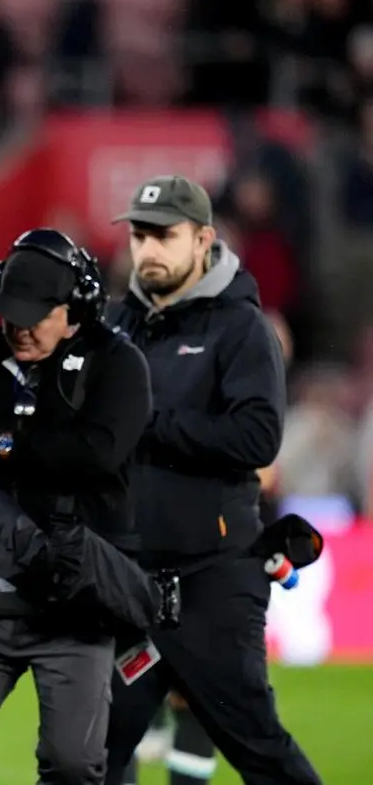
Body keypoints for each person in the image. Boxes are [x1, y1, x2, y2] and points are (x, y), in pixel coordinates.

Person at [103, 175, 321, 785]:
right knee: (89, 754)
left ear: (203, 239)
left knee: (258, 745)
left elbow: (258, 439)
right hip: (127, 577)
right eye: (139, 236)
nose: (147, 250)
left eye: (163, 236)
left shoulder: (241, 328)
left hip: (213, 577)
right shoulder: (117, 326)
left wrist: (148, 423)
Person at [0, 228, 153, 785]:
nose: (18, 328)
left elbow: (94, 454)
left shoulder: (118, 365)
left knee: (73, 764)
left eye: (33, 314)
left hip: (74, 598)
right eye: (9, 314)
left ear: (75, 309)